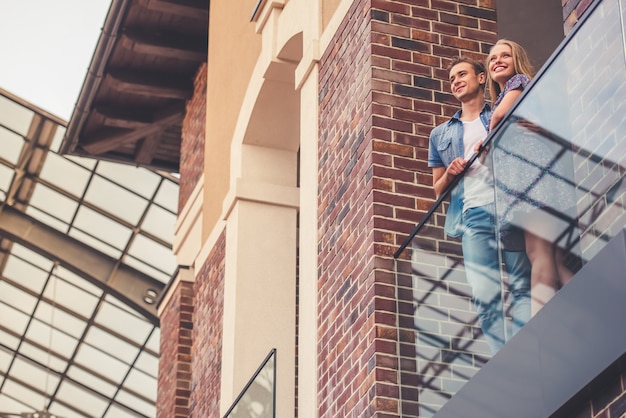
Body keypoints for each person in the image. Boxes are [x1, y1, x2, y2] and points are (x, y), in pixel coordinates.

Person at [428, 57, 532, 354]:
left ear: (482, 78)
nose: (456, 81)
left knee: (522, 285)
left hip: (508, 206)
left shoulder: (498, 112)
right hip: (473, 216)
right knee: (486, 296)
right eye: (451, 79)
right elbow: (438, 189)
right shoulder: (440, 134)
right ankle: (507, 357)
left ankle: (523, 349)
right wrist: (451, 171)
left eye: (462, 74)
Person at [485, 39, 575, 316]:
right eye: (492, 58)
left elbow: (500, 116)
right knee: (550, 255)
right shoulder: (505, 94)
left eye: (505, 56)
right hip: (521, 172)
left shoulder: (519, 82)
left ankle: (541, 320)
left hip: (529, 168)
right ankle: (583, 312)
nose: (497, 61)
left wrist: (486, 144)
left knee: (540, 253)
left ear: (516, 61)